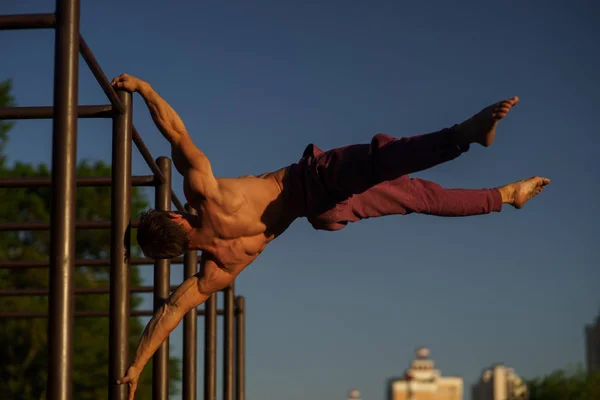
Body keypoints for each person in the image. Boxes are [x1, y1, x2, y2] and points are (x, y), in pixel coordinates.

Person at [111, 73, 549, 398]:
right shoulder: (205, 194)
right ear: (177, 218)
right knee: (383, 161)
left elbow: (170, 311)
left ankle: (505, 195)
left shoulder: (219, 268)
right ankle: (462, 135)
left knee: (419, 198)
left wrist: (136, 365)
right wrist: (145, 89)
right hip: (314, 181)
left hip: (324, 213)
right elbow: (174, 130)